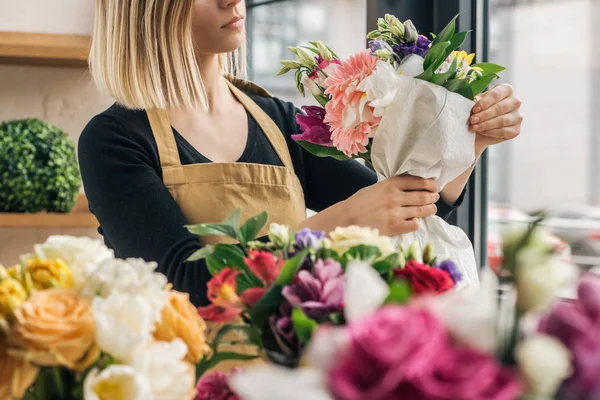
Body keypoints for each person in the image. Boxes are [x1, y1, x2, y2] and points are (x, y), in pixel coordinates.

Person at [79, 0, 523, 307]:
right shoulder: (113, 141)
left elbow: (410, 211)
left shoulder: (277, 120)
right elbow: (191, 285)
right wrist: (345, 221)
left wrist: (471, 137)